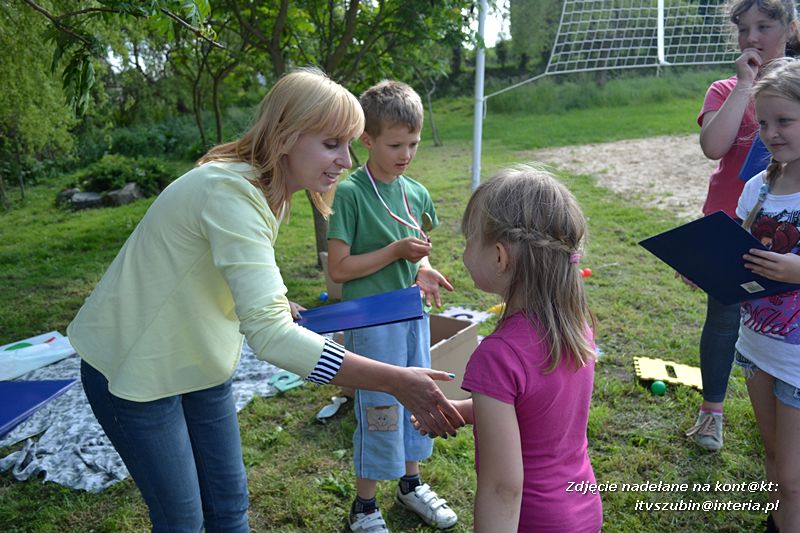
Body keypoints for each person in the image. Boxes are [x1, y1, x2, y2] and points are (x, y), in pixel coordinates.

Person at [67, 67, 463, 533]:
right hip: (133, 368)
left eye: (350, 145)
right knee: (183, 520)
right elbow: (270, 337)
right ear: (286, 136)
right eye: (332, 143)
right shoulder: (230, 191)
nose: (346, 161)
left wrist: (276, 302)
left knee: (230, 507)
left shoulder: (266, 191)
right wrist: (396, 380)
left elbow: (231, 278)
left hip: (199, 361)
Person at [425, 166, 602, 532]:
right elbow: (539, 410)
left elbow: (502, 488)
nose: (464, 251)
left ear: (500, 256)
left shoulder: (498, 355)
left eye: (469, 240)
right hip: (582, 509)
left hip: (532, 521)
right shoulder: (576, 324)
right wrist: (467, 410)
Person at [326, 80, 457, 532]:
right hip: (369, 324)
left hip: (411, 317)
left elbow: (417, 251)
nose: (406, 154)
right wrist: (395, 253)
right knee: (380, 407)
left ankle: (410, 485)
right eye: (395, 144)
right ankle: (364, 506)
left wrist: (423, 270)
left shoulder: (416, 192)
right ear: (367, 139)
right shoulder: (350, 193)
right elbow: (339, 272)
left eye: (414, 144)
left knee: (418, 398)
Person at [685, 0, 799, 451]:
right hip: (733, 227)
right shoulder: (725, 88)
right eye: (743, 29)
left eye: (764, 26)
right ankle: (712, 413)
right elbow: (714, 146)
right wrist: (746, 85)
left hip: (788, 228)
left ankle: (785, 408)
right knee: (725, 317)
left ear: (789, 28)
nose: (752, 38)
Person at [736, 58, 800, 533]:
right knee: (774, 456)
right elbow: (738, 249)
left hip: (798, 360)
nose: (771, 133)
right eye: (763, 122)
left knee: (794, 476)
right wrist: (707, 268)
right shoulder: (759, 187)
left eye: (785, 121)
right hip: (755, 347)